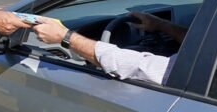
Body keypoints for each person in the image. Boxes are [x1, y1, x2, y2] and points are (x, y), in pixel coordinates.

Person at [32, 12, 186, 85]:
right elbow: (200, 40)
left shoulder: (189, 69)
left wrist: (66, 37)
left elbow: (139, 66)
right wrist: (161, 25)